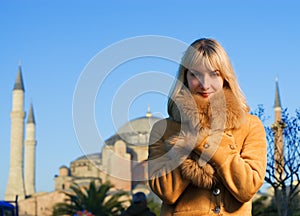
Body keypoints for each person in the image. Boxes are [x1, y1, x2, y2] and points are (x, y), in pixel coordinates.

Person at [148, 38, 267, 215]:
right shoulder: (163, 129)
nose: (205, 84)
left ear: (225, 78)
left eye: (214, 74)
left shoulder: (250, 125)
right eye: (195, 74)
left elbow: (247, 188)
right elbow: (167, 192)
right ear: (185, 77)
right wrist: (191, 135)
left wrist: (204, 140)